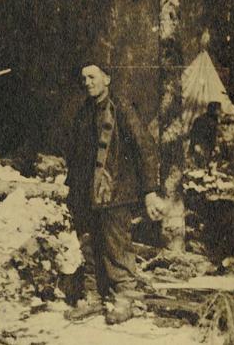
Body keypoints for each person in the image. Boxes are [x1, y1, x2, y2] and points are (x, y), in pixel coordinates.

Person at [64, 63, 162, 324]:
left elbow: (145, 148)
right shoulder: (84, 111)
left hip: (117, 192)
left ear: (106, 79)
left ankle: (124, 299)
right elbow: (76, 155)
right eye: (83, 77)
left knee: (117, 248)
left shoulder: (122, 109)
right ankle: (94, 297)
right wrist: (71, 191)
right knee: (90, 246)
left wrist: (150, 190)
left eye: (92, 77)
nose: (87, 82)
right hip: (86, 195)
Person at [188, 101, 222, 167]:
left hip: (209, 147)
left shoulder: (215, 120)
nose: (219, 112)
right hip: (201, 146)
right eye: (218, 110)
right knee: (200, 167)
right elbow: (194, 133)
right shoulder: (201, 120)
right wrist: (196, 144)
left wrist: (216, 146)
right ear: (212, 109)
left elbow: (214, 135)